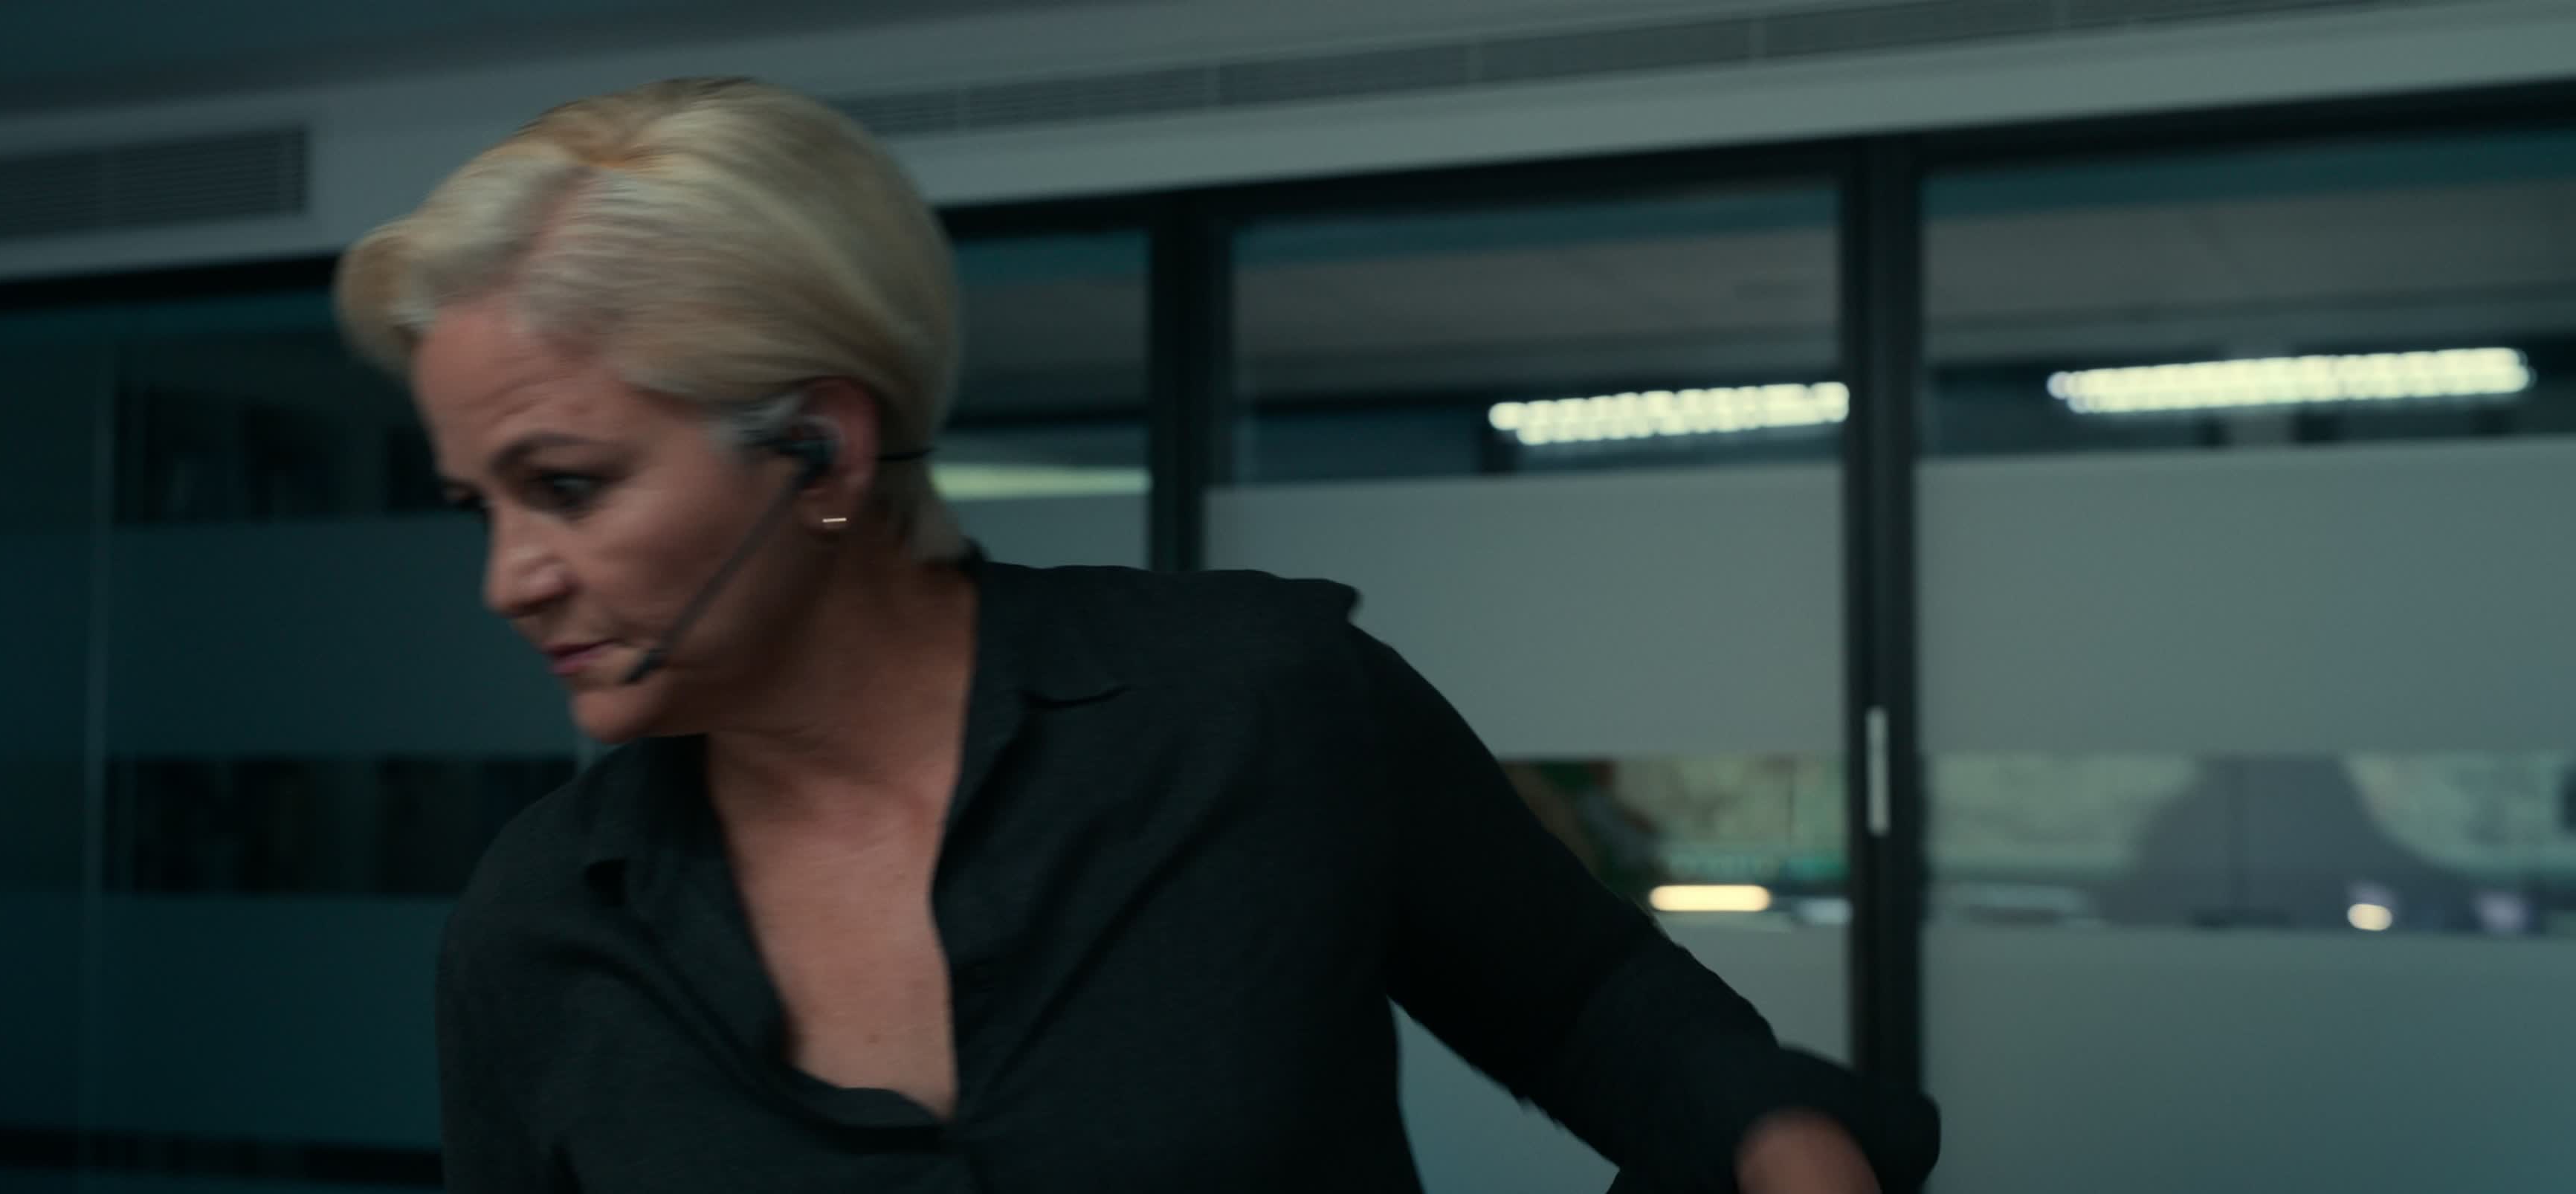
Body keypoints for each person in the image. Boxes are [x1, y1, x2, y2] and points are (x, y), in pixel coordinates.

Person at [335, 77, 1939, 1194]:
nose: (510, 579)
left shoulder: (1260, 703)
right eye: (482, 505)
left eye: (566, 485)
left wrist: (1781, 1143)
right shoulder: (536, 920)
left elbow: (1595, 1005)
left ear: (820, 449)